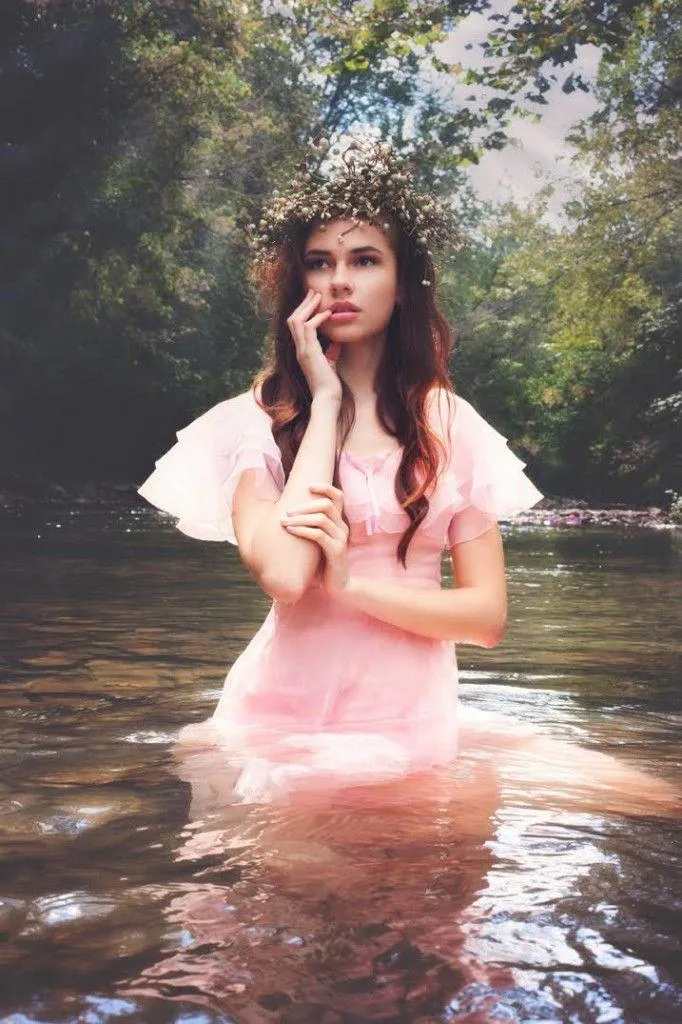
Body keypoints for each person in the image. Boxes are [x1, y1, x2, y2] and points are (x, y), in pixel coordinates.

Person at [133, 135, 645, 806]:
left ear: (403, 286)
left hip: (411, 720)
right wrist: (324, 402)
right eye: (320, 263)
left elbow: (486, 618)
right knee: (295, 887)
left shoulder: (450, 425)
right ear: (300, 286)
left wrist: (351, 586)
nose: (339, 280)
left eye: (365, 260)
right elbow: (287, 577)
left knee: (652, 802)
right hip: (281, 718)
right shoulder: (255, 421)